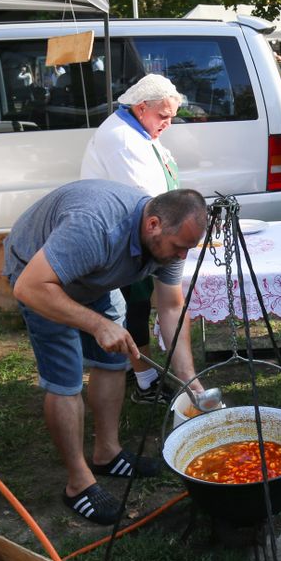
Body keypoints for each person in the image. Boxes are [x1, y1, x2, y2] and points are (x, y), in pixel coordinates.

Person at [4, 183, 208, 525]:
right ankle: (78, 483)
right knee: (65, 378)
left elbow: (171, 307)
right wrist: (97, 326)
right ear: (153, 225)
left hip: (95, 276)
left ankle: (107, 453)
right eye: (178, 248)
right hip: (39, 277)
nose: (181, 257)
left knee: (116, 357)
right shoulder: (95, 227)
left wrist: (188, 378)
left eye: (188, 249)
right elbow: (29, 287)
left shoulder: (169, 242)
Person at [80, 74, 186, 405]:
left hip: (142, 234)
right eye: (164, 116)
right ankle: (145, 382)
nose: (168, 123)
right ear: (142, 108)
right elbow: (146, 198)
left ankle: (141, 371)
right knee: (135, 308)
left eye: (171, 117)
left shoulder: (137, 129)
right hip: (123, 238)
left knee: (142, 306)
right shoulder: (122, 139)